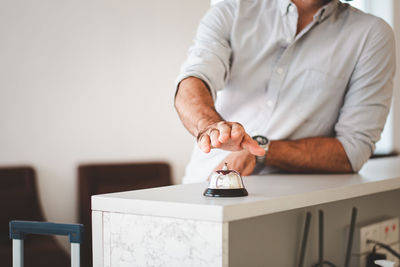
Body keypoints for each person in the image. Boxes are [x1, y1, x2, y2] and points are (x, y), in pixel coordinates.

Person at [174, 0, 396, 184]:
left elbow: (352, 152)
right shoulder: (232, 9)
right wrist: (209, 127)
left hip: (291, 206)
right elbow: (194, 80)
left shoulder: (371, 34)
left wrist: (260, 151)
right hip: (201, 187)